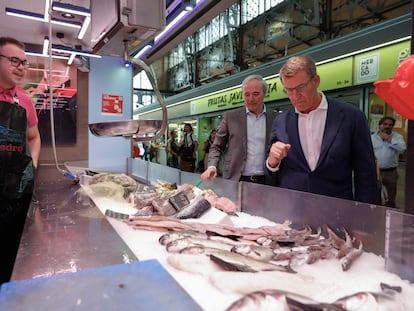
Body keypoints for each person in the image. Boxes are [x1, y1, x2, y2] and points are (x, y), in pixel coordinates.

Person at [266, 55, 378, 204]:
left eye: (300, 88)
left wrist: (364, 215)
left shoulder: (351, 117)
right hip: (293, 210)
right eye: (288, 90)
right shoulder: (281, 122)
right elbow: (271, 171)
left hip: (336, 209)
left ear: (316, 81)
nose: (294, 96)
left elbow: (365, 174)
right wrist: (272, 162)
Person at [0, 37, 41, 284]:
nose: (21, 67)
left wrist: (32, 167)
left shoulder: (24, 100)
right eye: (14, 60)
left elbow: (34, 137)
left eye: (24, 62)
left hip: (14, 195)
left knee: (11, 258)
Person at [201, 75, 274, 184]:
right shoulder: (231, 117)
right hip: (236, 179)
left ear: (265, 93)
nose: (251, 99)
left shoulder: (275, 118)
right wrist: (212, 166)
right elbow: (216, 146)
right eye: (247, 94)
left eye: (256, 94)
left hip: (267, 180)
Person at [371, 116, 406, 207]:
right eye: (385, 124)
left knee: (390, 196)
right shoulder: (372, 138)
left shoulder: (397, 137)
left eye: (390, 125)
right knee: (375, 193)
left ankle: (389, 213)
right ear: (380, 125)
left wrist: (389, 139)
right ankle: (376, 213)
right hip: (375, 171)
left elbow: (403, 148)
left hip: (390, 171)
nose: (387, 126)